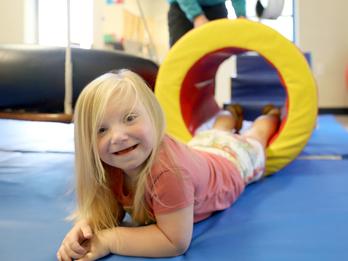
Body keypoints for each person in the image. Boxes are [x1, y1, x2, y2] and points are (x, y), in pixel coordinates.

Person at [56, 69, 280, 261]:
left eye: (130, 118)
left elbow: (174, 241)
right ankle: (230, 113)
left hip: (232, 162)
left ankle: (270, 116)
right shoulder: (110, 162)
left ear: (153, 116)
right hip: (200, 150)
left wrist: (109, 239)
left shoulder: (170, 173)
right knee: (216, 132)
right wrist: (87, 228)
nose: (118, 137)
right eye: (101, 129)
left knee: (255, 136)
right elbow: (110, 209)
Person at [168, 0, 246, 46]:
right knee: (180, 50)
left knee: (219, 51)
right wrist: (196, 16)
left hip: (217, 6)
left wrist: (241, 14)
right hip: (182, 8)